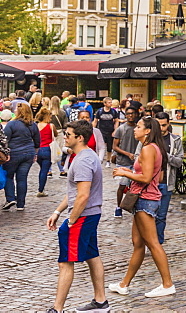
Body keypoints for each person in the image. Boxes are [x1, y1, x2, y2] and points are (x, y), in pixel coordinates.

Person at [47, 119, 110, 313]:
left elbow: (83, 195)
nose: (64, 137)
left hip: (83, 216)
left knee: (65, 262)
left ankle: (57, 309)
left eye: (67, 134)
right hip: (90, 214)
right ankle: (100, 302)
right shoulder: (86, 156)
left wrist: (71, 221)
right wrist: (58, 211)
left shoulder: (83, 160)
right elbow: (76, 192)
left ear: (79, 138)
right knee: (92, 255)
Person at [109, 116, 175, 299]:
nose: (134, 129)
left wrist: (125, 172)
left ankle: (167, 284)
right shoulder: (154, 148)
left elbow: (146, 178)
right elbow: (154, 176)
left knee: (153, 243)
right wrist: (130, 172)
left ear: (147, 131)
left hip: (146, 199)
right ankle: (124, 284)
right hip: (144, 199)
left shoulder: (148, 149)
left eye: (138, 127)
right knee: (138, 244)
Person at [3, 102, 40, 210]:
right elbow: (37, 142)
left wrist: (5, 153)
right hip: (28, 153)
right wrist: (35, 153)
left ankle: (10, 198)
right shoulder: (33, 125)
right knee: (22, 178)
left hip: (13, 154)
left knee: (8, 176)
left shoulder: (12, 124)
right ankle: (21, 204)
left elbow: (5, 140)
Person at [153, 113, 183, 244]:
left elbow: (179, 162)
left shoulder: (175, 140)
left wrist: (165, 156)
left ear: (168, 124)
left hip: (166, 181)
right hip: (150, 182)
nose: (161, 128)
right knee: (148, 214)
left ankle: (158, 242)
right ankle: (150, 241)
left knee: (161, 216)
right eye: (158, 125)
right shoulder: (148, 139)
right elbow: (138, 156)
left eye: (164, 125)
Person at [112, 106, 140, 218]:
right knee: (122, 185)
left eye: (132, 113)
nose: (130, 116)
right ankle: (119, 207)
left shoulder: (138, 128)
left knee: (134, 185)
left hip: (136, 162)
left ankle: (131, 205)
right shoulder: (121, 129)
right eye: (128, 114)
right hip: (123, 161)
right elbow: (115, 146)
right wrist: (127, 154)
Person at [93, 97, 121, 168]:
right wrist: (93, 129)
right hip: (101, 130)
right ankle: (99, 159)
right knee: (100, 145)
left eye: (111, 102)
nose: (110, 104)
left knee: (109, 147)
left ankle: (108, 161)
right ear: (104, 103)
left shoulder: (113, 111)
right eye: (109, 102)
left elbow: (116, 120)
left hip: (110, 131)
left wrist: (115, 130)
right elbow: (95, 121)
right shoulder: (100, 111)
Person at [35, 106, 55, 197]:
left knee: (41, 169)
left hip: (38, 150)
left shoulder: (36, 126)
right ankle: (41, 190)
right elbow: (56, 134)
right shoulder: (51, 126)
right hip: (48, 149)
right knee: (44, 170)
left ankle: (40, 188)